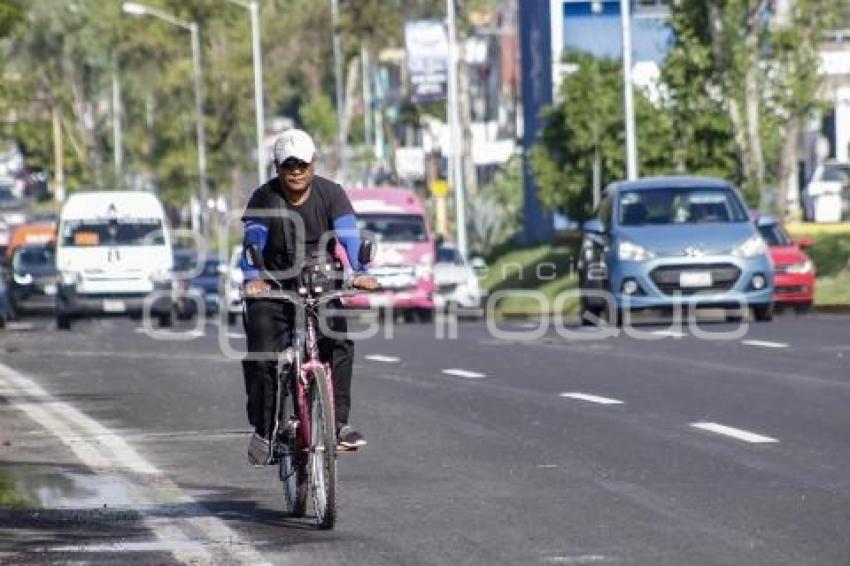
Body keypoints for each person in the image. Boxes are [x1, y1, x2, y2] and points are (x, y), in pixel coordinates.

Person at [239, 129, 377, 465]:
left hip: (321, 283)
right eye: (289, 165)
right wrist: (253, 278)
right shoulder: (264, 198)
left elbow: (348, 235)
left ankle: (339, 424)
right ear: (277, 168)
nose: (296, 172)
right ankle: (264, 429)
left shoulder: (332, 194)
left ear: (313, 163)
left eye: (302, 164)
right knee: (262, 352)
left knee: (340, 342)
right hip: (276, 288)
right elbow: (252, 242)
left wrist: (359, 270)